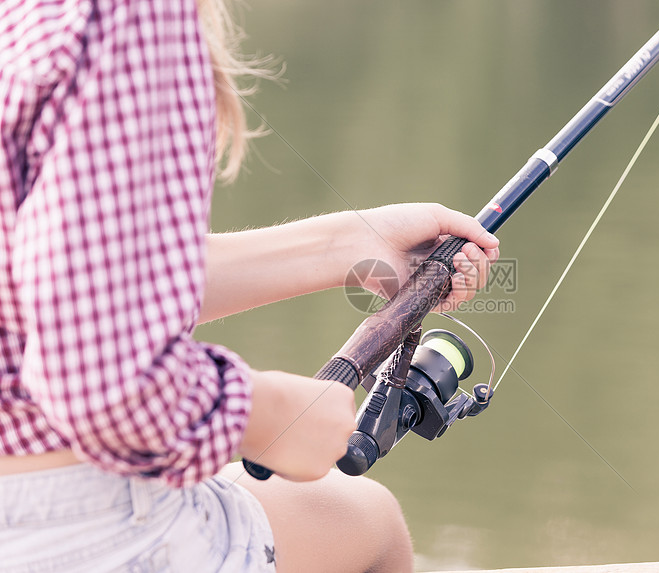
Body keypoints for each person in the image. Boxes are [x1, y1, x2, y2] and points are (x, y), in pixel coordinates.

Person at [0, 1, 500, 572]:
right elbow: (96, 374)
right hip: (64, 519)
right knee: (371, 521)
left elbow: (76, 277)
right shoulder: (130, 14)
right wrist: (263, 416)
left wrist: (348, 244)